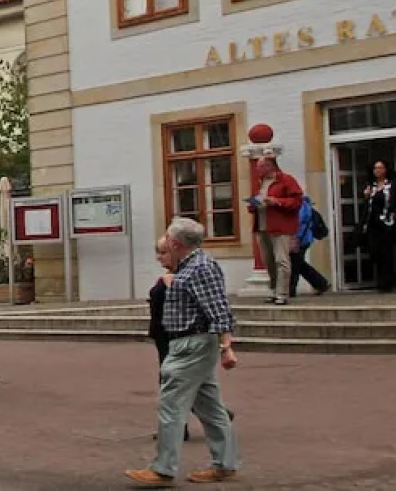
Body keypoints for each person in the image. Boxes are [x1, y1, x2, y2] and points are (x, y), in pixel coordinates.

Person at [125, 217, 240, 487]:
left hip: (192, 344)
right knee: (209, 406)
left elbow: (219, 310)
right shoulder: (190, 266)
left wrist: (227, 347)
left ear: (176, 243)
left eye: (168, 240)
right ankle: (224, 464)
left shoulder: (200, 267)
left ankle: (163, 469)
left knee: (171, 404)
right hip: (188, 342)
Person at [247, 155, 302, 306]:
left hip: (280, 227)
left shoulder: (286, 180)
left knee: (281, 260)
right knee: (268, 261)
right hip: (262, 226)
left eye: (260, 166)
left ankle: (282, 294)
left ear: (270, 166)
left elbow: (296, 201)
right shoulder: (260, 182)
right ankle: (274, 290)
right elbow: (254, 202)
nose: (258, 169)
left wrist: (277, 201)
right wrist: (253, 204)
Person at [362, 160, 396, 293]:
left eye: (380, 168)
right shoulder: (372, 186)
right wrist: (365, 196)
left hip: (387, 224)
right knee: (374, 251)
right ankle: (381, 278)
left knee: (386, 253)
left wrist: (395, 214)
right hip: (373, 224)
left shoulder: (393, 185)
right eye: (375, 168)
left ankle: (387, 282)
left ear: (386, 169)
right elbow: (367, 206)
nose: (377, 171)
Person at [290, 194, 331, 297]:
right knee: (299, 264)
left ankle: (291, 289)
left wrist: (295, 239)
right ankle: (321, 283)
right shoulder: (309, 209)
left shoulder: (300, 209)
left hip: (298, 240)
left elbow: (297, 225)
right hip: (305, 240)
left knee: (295, 265)